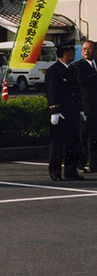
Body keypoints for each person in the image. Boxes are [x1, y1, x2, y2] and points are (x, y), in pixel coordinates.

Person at [45, 40, 86, 181]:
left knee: (73, 142)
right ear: (65, 53)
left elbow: (76, 91)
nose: (74, 54)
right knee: (57, 144)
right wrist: (54, 110)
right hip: (60, 113)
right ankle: (55, 172)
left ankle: (71, 171)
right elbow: (51, 91)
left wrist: (80, 109)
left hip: (72, 111)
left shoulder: (72, 70)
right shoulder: (54, 71)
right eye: (72, 51)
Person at [72, 40, 97, 173]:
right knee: (85, 136)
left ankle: (94, 164)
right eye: (84, 49)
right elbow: (81, 81)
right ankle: (83, 162)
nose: (86, 51)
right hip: (86, 106)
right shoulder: (78, 66)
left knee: (95, 137)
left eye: (89, 49)